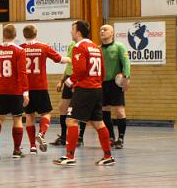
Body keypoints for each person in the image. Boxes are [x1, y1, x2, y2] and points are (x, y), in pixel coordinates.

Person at [54, 20, 116, 166]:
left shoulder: (79, 47)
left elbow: (80, 70)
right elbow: (103, 73)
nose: (71, 32)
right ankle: (108, 156)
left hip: (85, 89)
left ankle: (70, 156)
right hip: (97, 89)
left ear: (78, 32)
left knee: (71, 120)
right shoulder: (96, 47)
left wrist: (69, 82)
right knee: (98, 123)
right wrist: (96, 83)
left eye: (72, 29)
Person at [21, 24, 69, 153]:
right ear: (36, 33)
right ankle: (41, 133)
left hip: (26, 88)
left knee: (29, 116)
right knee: (46, 113)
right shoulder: (43, 47)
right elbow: (59, 59)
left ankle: (32, 146)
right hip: (40, 86)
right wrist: (71, 59)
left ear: (24, 35)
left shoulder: (20, 49)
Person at [0, 24, 29, 159]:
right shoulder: (19, 51)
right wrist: (25, 92)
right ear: (15, 35)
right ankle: (17, 150)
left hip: (0, 90)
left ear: (3, 35)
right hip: (15, 91)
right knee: (17, 120)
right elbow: (22, 73)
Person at [99, 24, 131, 149]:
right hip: (102, 83)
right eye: (101, 30)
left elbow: (126, 63)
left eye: (105, 30)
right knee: (104, 110)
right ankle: (111, 137)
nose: (102, 32)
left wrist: (126, 78)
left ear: (112, 33)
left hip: (115, 84)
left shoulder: (119, 47)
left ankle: (121, 138)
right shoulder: (98, 49)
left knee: (119, 111)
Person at [54, 41, 86, 148]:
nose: (71, 31)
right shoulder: (72, 45)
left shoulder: (84, 46)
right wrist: (62, 80)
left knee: (80, 109)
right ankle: (63, 136)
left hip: (78, 79)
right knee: (63, 107)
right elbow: (69, 65)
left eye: (73, 29)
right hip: (69, 78)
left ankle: (80, 137)